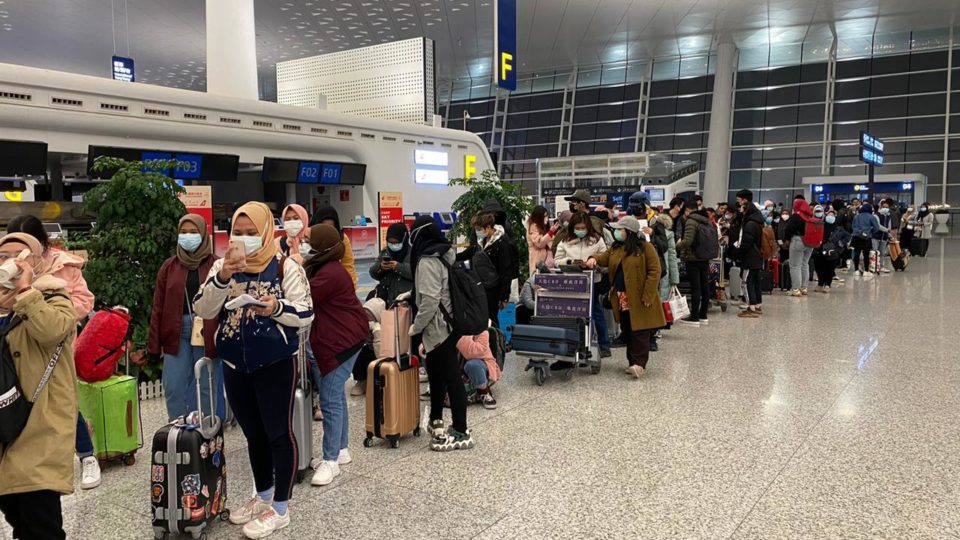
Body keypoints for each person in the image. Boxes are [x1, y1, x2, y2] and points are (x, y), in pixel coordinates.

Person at [194, 202, 313, 539]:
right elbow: (202, 307)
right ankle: (262, 495)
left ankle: (280, 507)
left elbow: (305, 315)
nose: (243, 239)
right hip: (235, 363)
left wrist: (276, 308)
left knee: (278, 433)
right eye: (238, 232)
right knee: (253, 434)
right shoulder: (223, 266)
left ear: (264, 233)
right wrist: (224, 276)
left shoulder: (285, 267)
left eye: (251, 233)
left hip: (275, 362)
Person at [6, 215, 100, 490]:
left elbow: (84, 301)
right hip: (16, 354)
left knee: (65, 403)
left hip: (56, 349)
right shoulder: (5, 271)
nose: (16, 257)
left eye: (25, 248)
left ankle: (86, 456)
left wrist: (54, 308)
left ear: (43, 246)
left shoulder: (63, 269)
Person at [0, 233, 78, 540]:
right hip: (5, 421)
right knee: (18, 515)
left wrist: (25, 291)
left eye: (20, 254)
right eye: (3, 255)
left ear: (38, 261)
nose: (10, 261)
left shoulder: (55, 297)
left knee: (41, 521)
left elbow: (51, 331)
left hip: (38, 423)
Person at [303, 224, 369, 487]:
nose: (303, 243)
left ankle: (330, 461)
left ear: (320, 245)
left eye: (308, 240)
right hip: (347, 336)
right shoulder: (326, 267)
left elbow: (304, 297)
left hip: (342, 341)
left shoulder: (329, 273)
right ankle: (341, 450)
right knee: (336, 397)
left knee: (330, 398)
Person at [148, 214, 223, 423]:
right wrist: (153, 346)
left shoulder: (217, 265)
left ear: (203, 234)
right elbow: (158, 307)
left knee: (207, 386)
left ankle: (208, 434)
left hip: (207, 331)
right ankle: (178, 430)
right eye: (183, 232)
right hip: (176, 332)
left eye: (193, 232)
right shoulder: (169, 267)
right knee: (174, 385)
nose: (187, 236)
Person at [408, 215, 473, 451]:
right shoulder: (444, 254)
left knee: (451, 376)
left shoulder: (427, 261)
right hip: (451, 323)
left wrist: (415, 328)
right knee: (436, 373)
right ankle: (436, 418)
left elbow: (430, 301)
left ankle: (460, 429)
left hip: (438, 328)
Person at [585, 216, 664, 378]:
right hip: (621, 296)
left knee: (640, 331)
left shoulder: (645, 248)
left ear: (629, 232)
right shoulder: (616, 248)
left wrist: (648, 295)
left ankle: (639, 364)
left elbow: (655, 271)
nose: (616, 232)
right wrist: (594, 259)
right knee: (628, 329)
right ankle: (632, 362)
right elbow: (604, 259)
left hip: (641, 297)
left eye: (619, 230)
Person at [555, 212, 611, 357]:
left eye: (583, 227)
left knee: (595, 312)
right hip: (572, 282)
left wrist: (595, 262)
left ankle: (604, 345)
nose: (580, 230)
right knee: (574, 314)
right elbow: (557, 260)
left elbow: (606, 260)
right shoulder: (565, 241)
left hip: (592, 281)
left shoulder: (597, 240)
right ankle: (577, 344)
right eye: (577, 227)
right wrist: (569, 262)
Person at [463, 212, 514, 328]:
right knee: (481, 317)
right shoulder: (481, 242)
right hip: (481, 286)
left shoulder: (501, 244)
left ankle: (494, 343)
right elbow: (469, 253)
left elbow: (506, 271)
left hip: (493, 289)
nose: (477, 232)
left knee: (491, 318)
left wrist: (504, 296)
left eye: (479, 229)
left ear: (489, 227)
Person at [728, 191, 765, 318]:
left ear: (745, 203)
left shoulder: (750, 223)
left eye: (739, 202)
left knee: (746, 281)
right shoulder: (758, 219)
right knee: (755, 282)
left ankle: (751, 307)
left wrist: (737, 252)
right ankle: (758, 305)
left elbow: (746, 242)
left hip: (750, 257)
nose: (739, 208)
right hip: (757, 256)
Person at [675, 207, 712, 326]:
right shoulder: (707, 221)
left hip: (693, 258)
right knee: (704, 285)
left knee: (695, 287)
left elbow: (688, 240)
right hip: (705, 257)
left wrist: (676, 246)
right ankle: (703, 315)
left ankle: (694, 316)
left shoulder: (691, 221)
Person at [310, 206, 358, 287]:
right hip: (312, 283)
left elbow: (348, 265)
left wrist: (351, 287)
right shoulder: (308, 238)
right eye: (323, 227)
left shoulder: (342, 238)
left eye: (331, 228)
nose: (328, 232)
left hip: (335, 284)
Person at [651, 212, 679, 351]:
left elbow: (673, 256)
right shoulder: (669, 235)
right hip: (664, 272)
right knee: (660, 301)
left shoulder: (658, 235)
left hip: (658, 272)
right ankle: (656, 329)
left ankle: (655, 328)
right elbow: (672, 258)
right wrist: (674, 279)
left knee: (656, 301)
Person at [457, 330, 502, 410]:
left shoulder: (482, 330)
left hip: (481, 369)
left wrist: (459, 334)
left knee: (473, 365)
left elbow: (472, 352)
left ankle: (484, 392)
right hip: (458, 370)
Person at [782, 198, 815, 297]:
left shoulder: (796, 216)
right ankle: (804, 288)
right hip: (810, 242)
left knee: (795, 266)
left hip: (798, 241)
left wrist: (787, 240)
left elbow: (789, 229)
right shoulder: (810, 215)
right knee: (805, 264)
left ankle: (795, 289)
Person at [812, 208, 843, 293]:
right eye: (829, 215)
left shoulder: (838, 228)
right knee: (819, 267)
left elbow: (845, 237)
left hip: (832, 251)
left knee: (830, 268)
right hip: (819, 249)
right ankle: (820, 283)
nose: (830, 216)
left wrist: (839, 246)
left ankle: (828, 284)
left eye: (832, 215)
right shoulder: (820, 225)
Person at [851, 203, 882, 277]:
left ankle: (856, 270)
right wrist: (870, 232)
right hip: (866, 238)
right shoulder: (871, 217)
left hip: (856, 237)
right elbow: (876, 228)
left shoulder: (856, 216)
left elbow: (853, 226)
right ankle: (866, 271)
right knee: (866, 255)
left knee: (857, 254)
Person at [526, 206, 557, 275]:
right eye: (544, 216)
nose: (546, 218)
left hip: (548, 262)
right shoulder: (533, 227)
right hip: (538, 262)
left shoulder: (544, 227)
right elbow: (539, 243)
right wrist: (550, 233)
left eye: (547, 216)